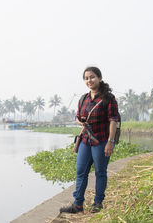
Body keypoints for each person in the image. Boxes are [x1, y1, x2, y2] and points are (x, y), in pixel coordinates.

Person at [60, 66, 120, 214]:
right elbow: (78, 116)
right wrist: (79, 121)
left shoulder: (108, 98)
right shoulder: (84, 99)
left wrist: (110, 142)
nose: (89, 80)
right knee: (80, 172)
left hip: (101, 141)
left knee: (100, 172)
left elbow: (114, 120)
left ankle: (98, 203)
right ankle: (77, 205)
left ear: (99, 78)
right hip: (86, 141)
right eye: (86, 78)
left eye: (92, 77)